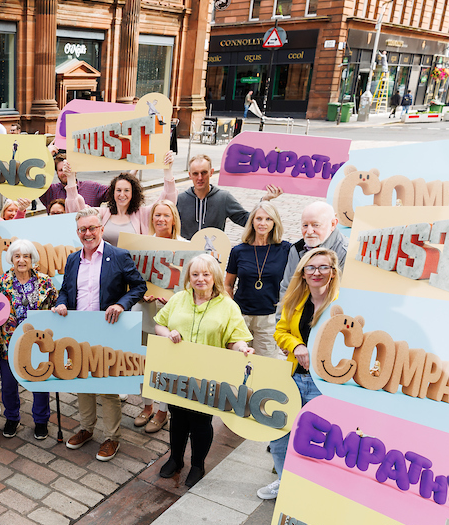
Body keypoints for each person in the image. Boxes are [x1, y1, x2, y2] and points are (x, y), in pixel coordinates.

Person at [152, 254, 253, 489]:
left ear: (214, 277)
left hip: (209, 373)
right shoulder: (179, 299)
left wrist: (242, 348)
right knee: (177, 418)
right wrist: (167, 334)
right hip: (178, 371)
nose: (200, 279)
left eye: (206, 274)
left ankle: (198, 464)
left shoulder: (227, 305)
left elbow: (235, 340)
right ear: (189, 276)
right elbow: (159, 323)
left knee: (200, 421)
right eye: (195, 274)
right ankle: (175, 459)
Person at [54, 209, 147, 461]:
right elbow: (65, 290)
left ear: (101, 229)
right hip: (78, 330)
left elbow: (139, 286)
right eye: (83, 229)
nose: (88, 233)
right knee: (82, 380)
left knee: (107, 386)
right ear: (77, 232)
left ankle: (112, 437)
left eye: (92, 228)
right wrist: (61, 303)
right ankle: (87, 428)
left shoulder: (118, 256)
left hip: (108, 329)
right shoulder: (73, 259)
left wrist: (121, 304)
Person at [258, 247, 340, 500]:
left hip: (323, 384)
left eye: (323, 267)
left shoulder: (341, 306)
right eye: (311, 267)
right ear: (303, 273)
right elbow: (280, 332)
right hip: (294, 378)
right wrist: (296, 345)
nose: (317, 272)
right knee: (281, 434)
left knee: (315, 438)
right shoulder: (296, 302)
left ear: (333, 272)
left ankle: (309, 489)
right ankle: (284, 481)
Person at [0, 240, 59, 440]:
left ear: (32, 259)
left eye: (26, 256)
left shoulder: (45, 281)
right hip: (8, 344)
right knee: (9, 385)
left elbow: (56, 306)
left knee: (39, 384)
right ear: (11, 259)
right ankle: (12, 417)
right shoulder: (1, 282)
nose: (21, 260)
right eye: (17, 256)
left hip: (37, 344)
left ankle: (41, 420)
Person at [135, 199, 181, 434]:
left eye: (166, 215)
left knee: (164, 365)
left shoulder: (185, 247)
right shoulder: (143, 244)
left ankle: (163, 410)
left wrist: (170, 299)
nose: (161, 219)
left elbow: (190, 287)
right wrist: (142, 295)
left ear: (174, 219)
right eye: (157, 215)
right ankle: (147, 405)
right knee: (144, 363)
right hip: (145, 312)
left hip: (171, 317)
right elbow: (134, 280)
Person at [225, 202, 292, 358]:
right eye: (259, 218)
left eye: (268, 219)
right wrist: (231, 310)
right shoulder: (238, 251)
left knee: (265, 363)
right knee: (237, 360)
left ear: (274, 222)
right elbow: (228, 284)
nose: (263, 223)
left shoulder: (285, 249)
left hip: (269, 317)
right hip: (241, 316)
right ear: (252, 221)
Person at [163, 153, 281, 239]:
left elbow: (247, 220)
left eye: (204, 172)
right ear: (189, 175)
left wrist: (265, 201)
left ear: (211, 172)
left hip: (213, 257)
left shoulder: (223, 198)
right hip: (185, 256)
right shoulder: (181, 199)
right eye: (195, 174)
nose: (200, 178)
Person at [279, 201, 349, 294]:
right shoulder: (297, 249)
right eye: (305, 225)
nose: (309, 231)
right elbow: (287, 288)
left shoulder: (345, 253)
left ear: (333, 224)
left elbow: (342, 295)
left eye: (316, 225)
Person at [65, 170, 152, 244]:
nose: (122, 194)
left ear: (133, 193)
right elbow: (77, 212)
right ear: (112, 193)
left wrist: (166, 170)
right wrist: (70, 178)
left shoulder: (142, 213)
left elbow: (164, 204)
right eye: (118, 190)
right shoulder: (102, 213)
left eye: (126, 190)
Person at [41, 154, 110, 210]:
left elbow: (114, 192)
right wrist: (47, 155)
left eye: (68, 169)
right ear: (56, 172)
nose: (65, 173)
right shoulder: (50, 191)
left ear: (75, 169)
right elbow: (34, 182)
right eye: (61, 170)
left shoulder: (92, 188)